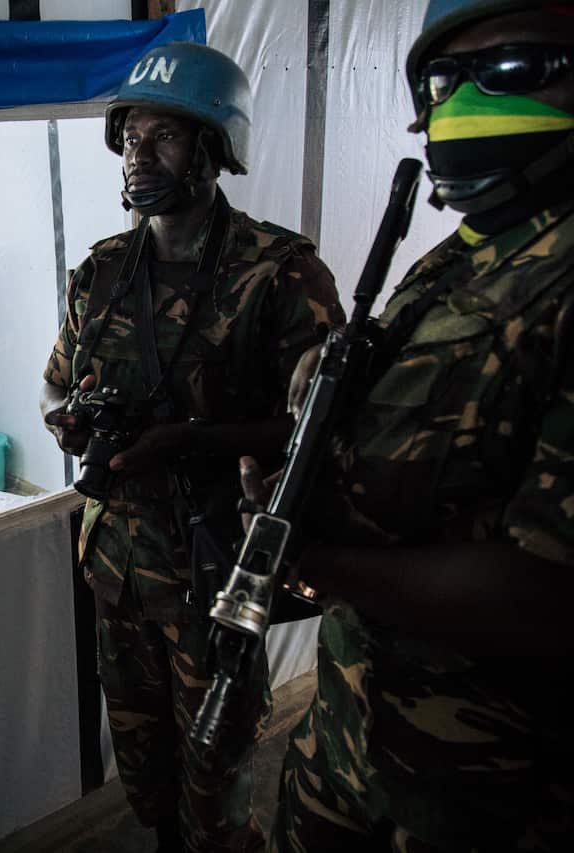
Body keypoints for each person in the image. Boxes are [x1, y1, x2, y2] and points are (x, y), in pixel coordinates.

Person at [239, 2, 574, 849]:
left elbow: (551, 598)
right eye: (441, 78)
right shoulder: (459, 253)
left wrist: (317, 560)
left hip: (491, 787)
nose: (464, 104)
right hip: (355, 727)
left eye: (509, 70)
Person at [40, 42, 343, 852]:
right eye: (131, 135)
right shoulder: (101, 272)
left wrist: (193, 440)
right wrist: (67, 417)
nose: (141, 153)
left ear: (214, 149)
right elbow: (54, 387)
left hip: (215, 575)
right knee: (148, 780)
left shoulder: (279, 273)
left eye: (165, 136)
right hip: (117, 574)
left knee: (215, 786)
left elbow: (329, 426)